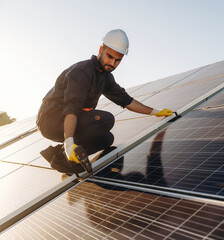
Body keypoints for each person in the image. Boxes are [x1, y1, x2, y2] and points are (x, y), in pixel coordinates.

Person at [37, 29, 173, 174]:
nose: (112, 63)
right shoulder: (82, 71)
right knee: (106, 120)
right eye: (109, 56)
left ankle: (63, 158)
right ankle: (65, 153)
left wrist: (155, 112)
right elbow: (72, 108)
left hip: (69, 119)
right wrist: (69, 142)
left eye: (118, 60)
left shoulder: (105, 77)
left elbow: (126, 101)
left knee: (106, 139)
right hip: (51, 119)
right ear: (101, 49)